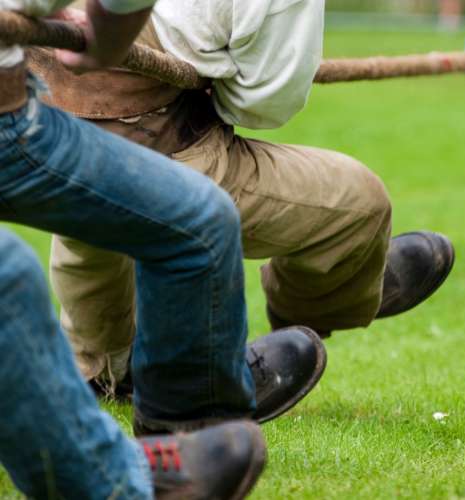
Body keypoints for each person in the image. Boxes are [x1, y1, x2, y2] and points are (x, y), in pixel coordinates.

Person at [27, 0, 455, 397]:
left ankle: (104, 368)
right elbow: (262, 101)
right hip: (159, 154)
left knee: (88, 208)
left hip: (38, 135)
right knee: (361, 203)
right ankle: (315, 308)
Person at [0, 0, 276, 496]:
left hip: (12, 119)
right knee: (8, 273)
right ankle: (111, 485)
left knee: (199, 221)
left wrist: (91, 23)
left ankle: (177, 440)